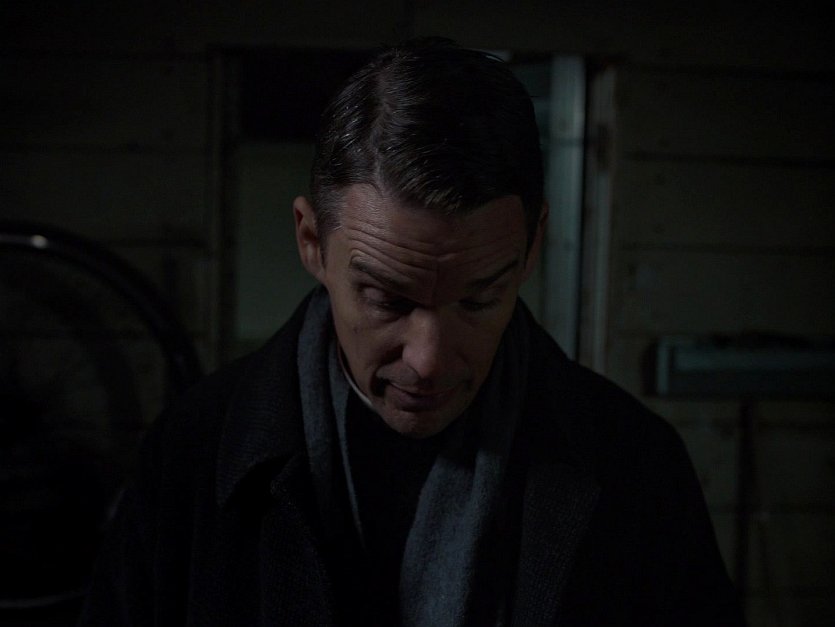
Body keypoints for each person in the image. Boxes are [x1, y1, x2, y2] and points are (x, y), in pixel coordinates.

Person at [80, 39, 746, 626]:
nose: (427, 361)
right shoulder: (192, 456)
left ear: (533, 246)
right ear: (311, 241)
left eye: (479, 299)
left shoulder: (635, 469)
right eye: (386, 299)